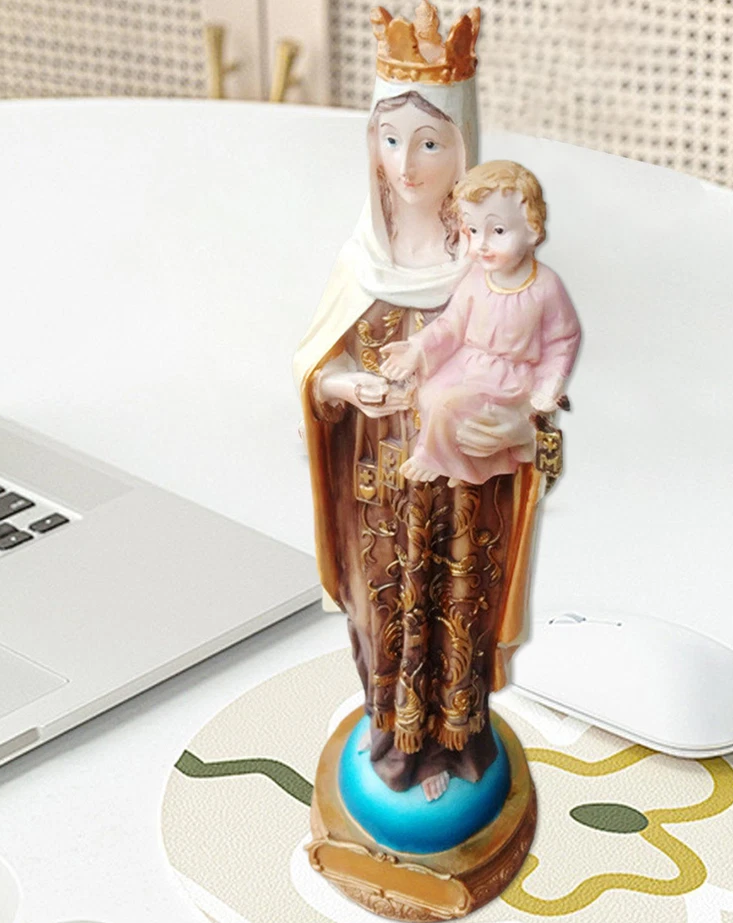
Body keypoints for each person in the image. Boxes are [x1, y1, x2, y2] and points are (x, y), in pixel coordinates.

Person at [294, 2, 546, 803]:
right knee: (385, 611)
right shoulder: (361, 259)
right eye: (391, 138)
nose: (407, 162)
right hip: (379, 488)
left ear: (462, 147)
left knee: (457, 604)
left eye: (430, 141)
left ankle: (459, 743)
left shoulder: (487, 262)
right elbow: (315, 365)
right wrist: (345, 385)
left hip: (464, 485)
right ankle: (397, 745)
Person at [380, 160, 581, 486]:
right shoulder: (476, 278)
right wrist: (417, 348)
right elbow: (451, 325)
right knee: (429, 395)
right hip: (468, 364)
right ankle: (462, 464)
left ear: (532, 229)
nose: (482, 244)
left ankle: (435, 458)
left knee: (448, 406)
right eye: (473, 230)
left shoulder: (545, 286)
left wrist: (549, 385)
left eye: (498, 231)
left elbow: (562, 340)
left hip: (507, 377)